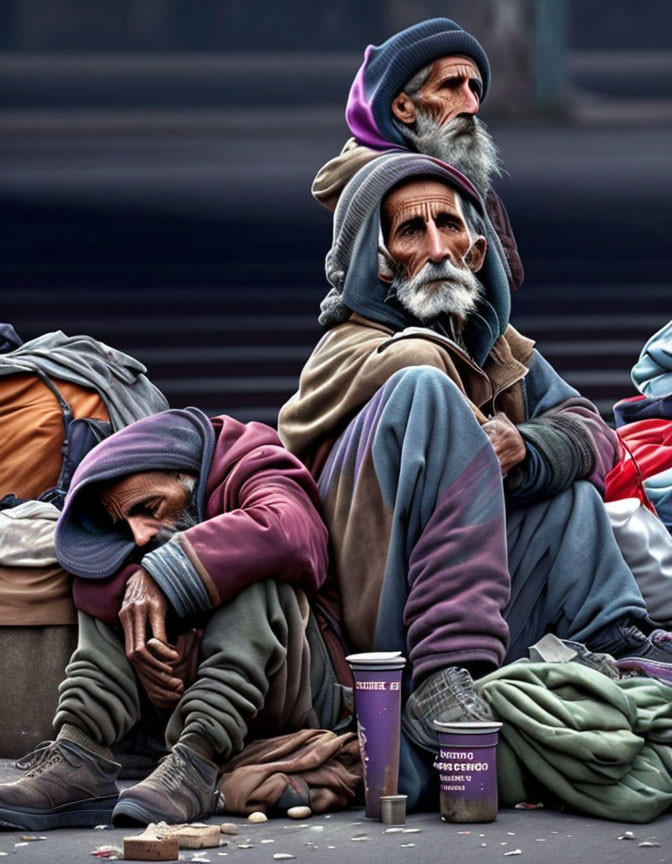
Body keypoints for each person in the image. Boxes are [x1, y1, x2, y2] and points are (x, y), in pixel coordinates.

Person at [278, 152, 672, 806]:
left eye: (450, 226)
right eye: (411, 232)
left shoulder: (501, 347)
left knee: (565, 486)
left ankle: (616, 643)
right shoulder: (353, 350)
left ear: (478, 248)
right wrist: (464, 432)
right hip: (381, 608)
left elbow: (593, 432)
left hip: (474, 595)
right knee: (425, 388)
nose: (437, 249)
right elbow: (410, 370)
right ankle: (441, 673)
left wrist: (526, 446)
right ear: (379, 262)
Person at [0, 408, 345, 830]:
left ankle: (195, 762)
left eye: (148, 507)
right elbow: (89, 584)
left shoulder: (253, 460)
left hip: (303, 684)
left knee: (259, 578)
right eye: (126, 522)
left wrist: (167, 575)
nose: (142, 534)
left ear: (183, 472)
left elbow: (291, 535)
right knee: (120, 583)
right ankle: (80, 754)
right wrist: (143, 603)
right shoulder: (148, 526)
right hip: (196, 693)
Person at [312, 15, 524, 313]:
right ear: (402, 107)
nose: (472, 104)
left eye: (474, 87)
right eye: (451, 86)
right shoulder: (397, 185)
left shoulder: (450, 179)